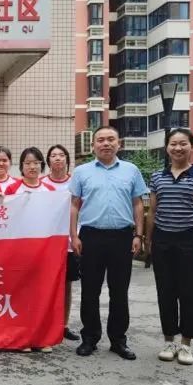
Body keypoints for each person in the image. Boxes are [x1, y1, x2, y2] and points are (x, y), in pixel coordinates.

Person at [69, 126, 147, 360]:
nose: (106, 143)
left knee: (119, 291)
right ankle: (90, 338)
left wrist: (138, 235)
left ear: (118, 143)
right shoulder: (82, 172)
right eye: (101, 140)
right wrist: (74, 236)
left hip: (122, 237)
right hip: (91, 237)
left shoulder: (131, 170)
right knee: (90, 291)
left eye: (110, 139)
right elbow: (74, 205)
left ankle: (118, 340)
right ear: (93, 145)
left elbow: (138, 204)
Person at [146, 128, 193, 365]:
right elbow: (153, 212)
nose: (178, 148)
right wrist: (148, 240)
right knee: (165, 292)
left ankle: (186, 344)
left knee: (190, 294)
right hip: (163, 241)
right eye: (173, 144)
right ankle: (169, 341)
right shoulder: (157, 177)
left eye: (183, 143)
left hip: (191, 241)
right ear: (167, 147)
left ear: (191, 147)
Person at [4, 146, 54, 353]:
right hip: (19, 250)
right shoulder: (12, 189)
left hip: (43, 251)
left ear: (42, 165)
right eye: (28, 163)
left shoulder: (50, 191)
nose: (32, 167)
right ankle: (21, 338)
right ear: (21, 166)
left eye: (36, 163)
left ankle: (41, 338)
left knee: (41, 294)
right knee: (20, 294)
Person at [42, 144, 81, 342]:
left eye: (61, 155)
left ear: (67, 159)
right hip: (46, 243)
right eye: (53, 155)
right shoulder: (41, 183)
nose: (57, 158)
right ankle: (45, 323)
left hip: (69, 242)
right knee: (44, 284)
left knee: (66, 285)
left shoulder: (75, 183)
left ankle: (63, 325)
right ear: (48, 161)